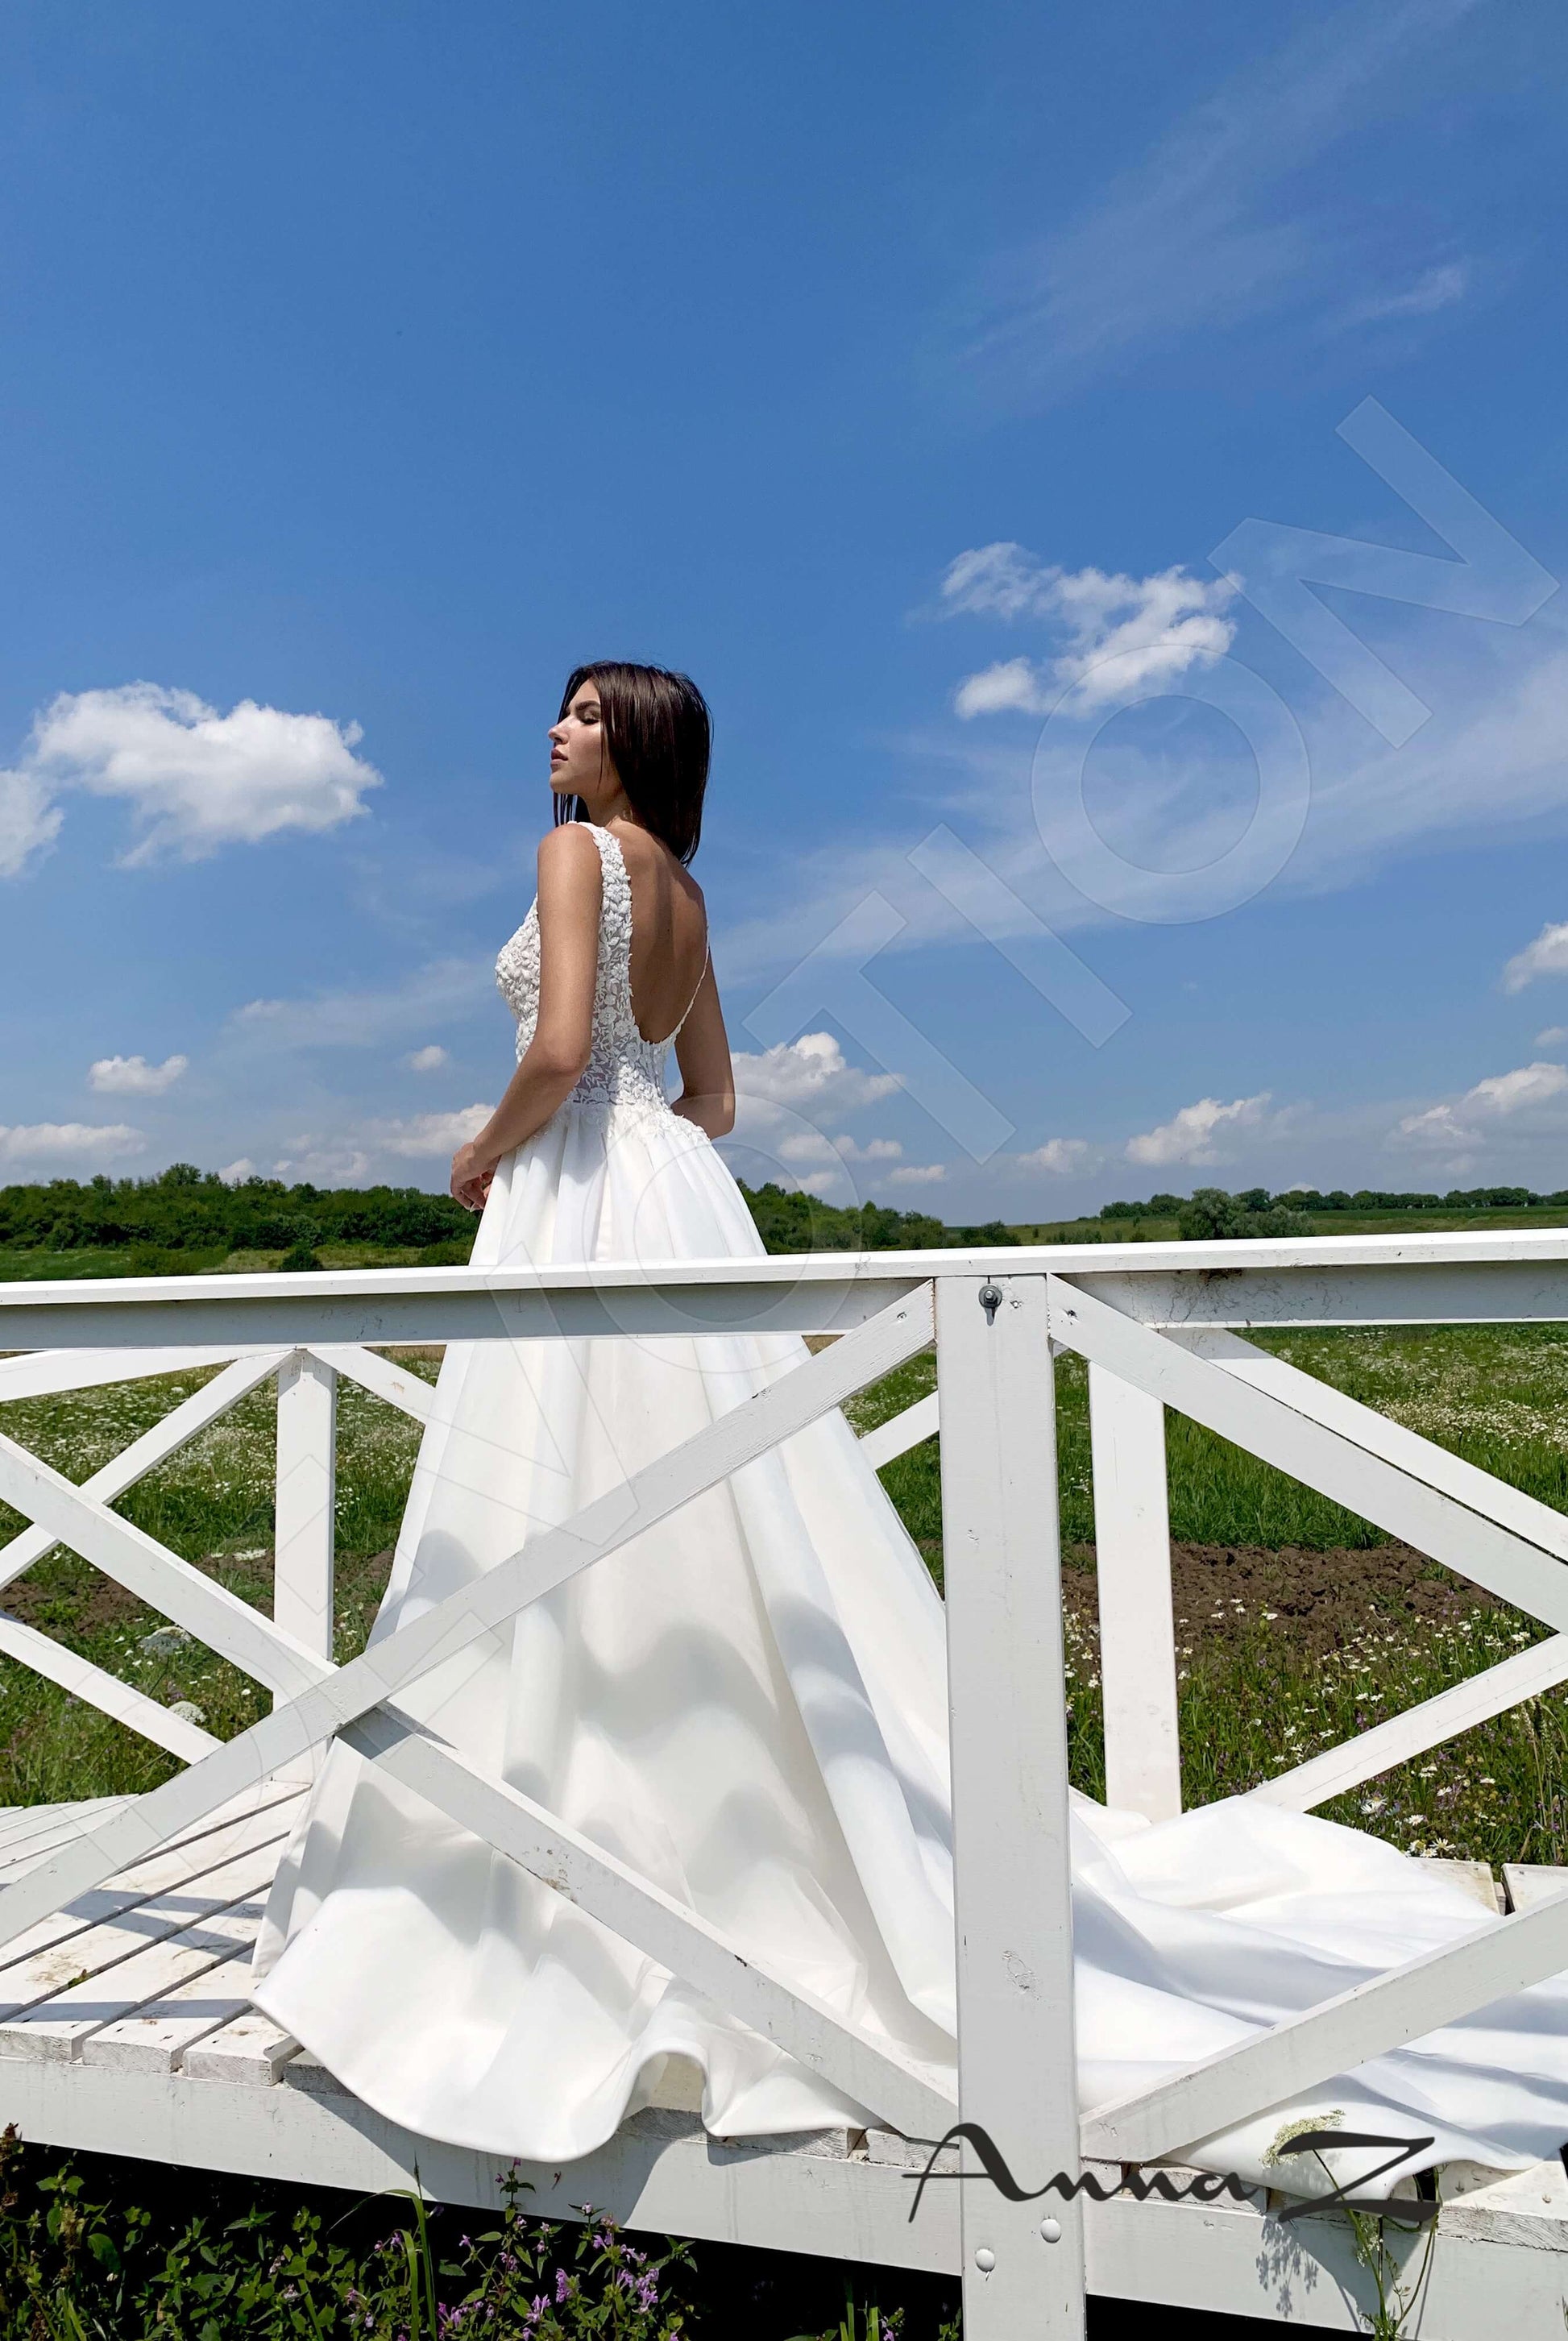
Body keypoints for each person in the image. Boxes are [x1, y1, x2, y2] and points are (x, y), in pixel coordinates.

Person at [255, 662, 1568, 2196]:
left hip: (576, 1196)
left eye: (591, 716)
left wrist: (481, 1160)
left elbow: (555, 1054)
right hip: (679, 1202)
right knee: (705, 1511)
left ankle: (547, 1846)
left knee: (555, 1509)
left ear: (643, 745)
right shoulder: (685, 890)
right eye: (560, 710)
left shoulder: (572, 856)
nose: (558, 731)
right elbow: (717, 1102)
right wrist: (644, 1164)